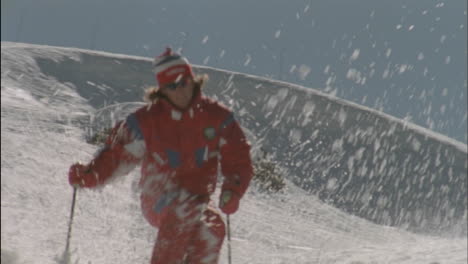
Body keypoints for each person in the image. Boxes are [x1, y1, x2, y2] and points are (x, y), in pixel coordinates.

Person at [68, 47, 254, 264]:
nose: (180, 90)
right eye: (171, 86)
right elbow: (116, 157)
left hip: (198, 199)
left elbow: (238, 157)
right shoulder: (146, 122)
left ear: (192, 80)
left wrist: (233, 189)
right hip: (158, 196)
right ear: (162, 90)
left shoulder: (216, 116)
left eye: (183, 82)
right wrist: (91, 175)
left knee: (212, 226)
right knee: (182, 210)